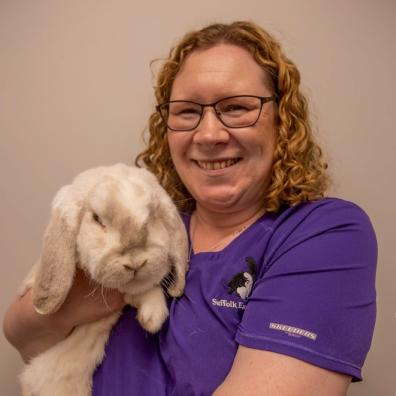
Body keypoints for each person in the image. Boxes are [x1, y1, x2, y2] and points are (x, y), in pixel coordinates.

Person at [3, 21, 377, 395]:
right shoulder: (148, 220)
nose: (209, 134)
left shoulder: (323, 234)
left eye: (236, 107)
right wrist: (97, 288)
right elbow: (28, 340)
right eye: (187, 111)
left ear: (282, 120)